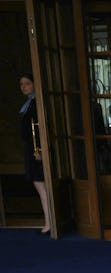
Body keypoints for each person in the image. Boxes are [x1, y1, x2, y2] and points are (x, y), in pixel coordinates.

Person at [18, 73, 50, 235]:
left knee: (41, 185)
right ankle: (48, 221)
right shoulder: (29, 103)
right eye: (22, 84)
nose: (24, 87)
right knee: (40, 185)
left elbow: (38, 129)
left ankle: (49, 222)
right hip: (31, 148)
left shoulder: (36, 104)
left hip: (36, 150)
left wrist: (39, 150)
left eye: (27, 83)